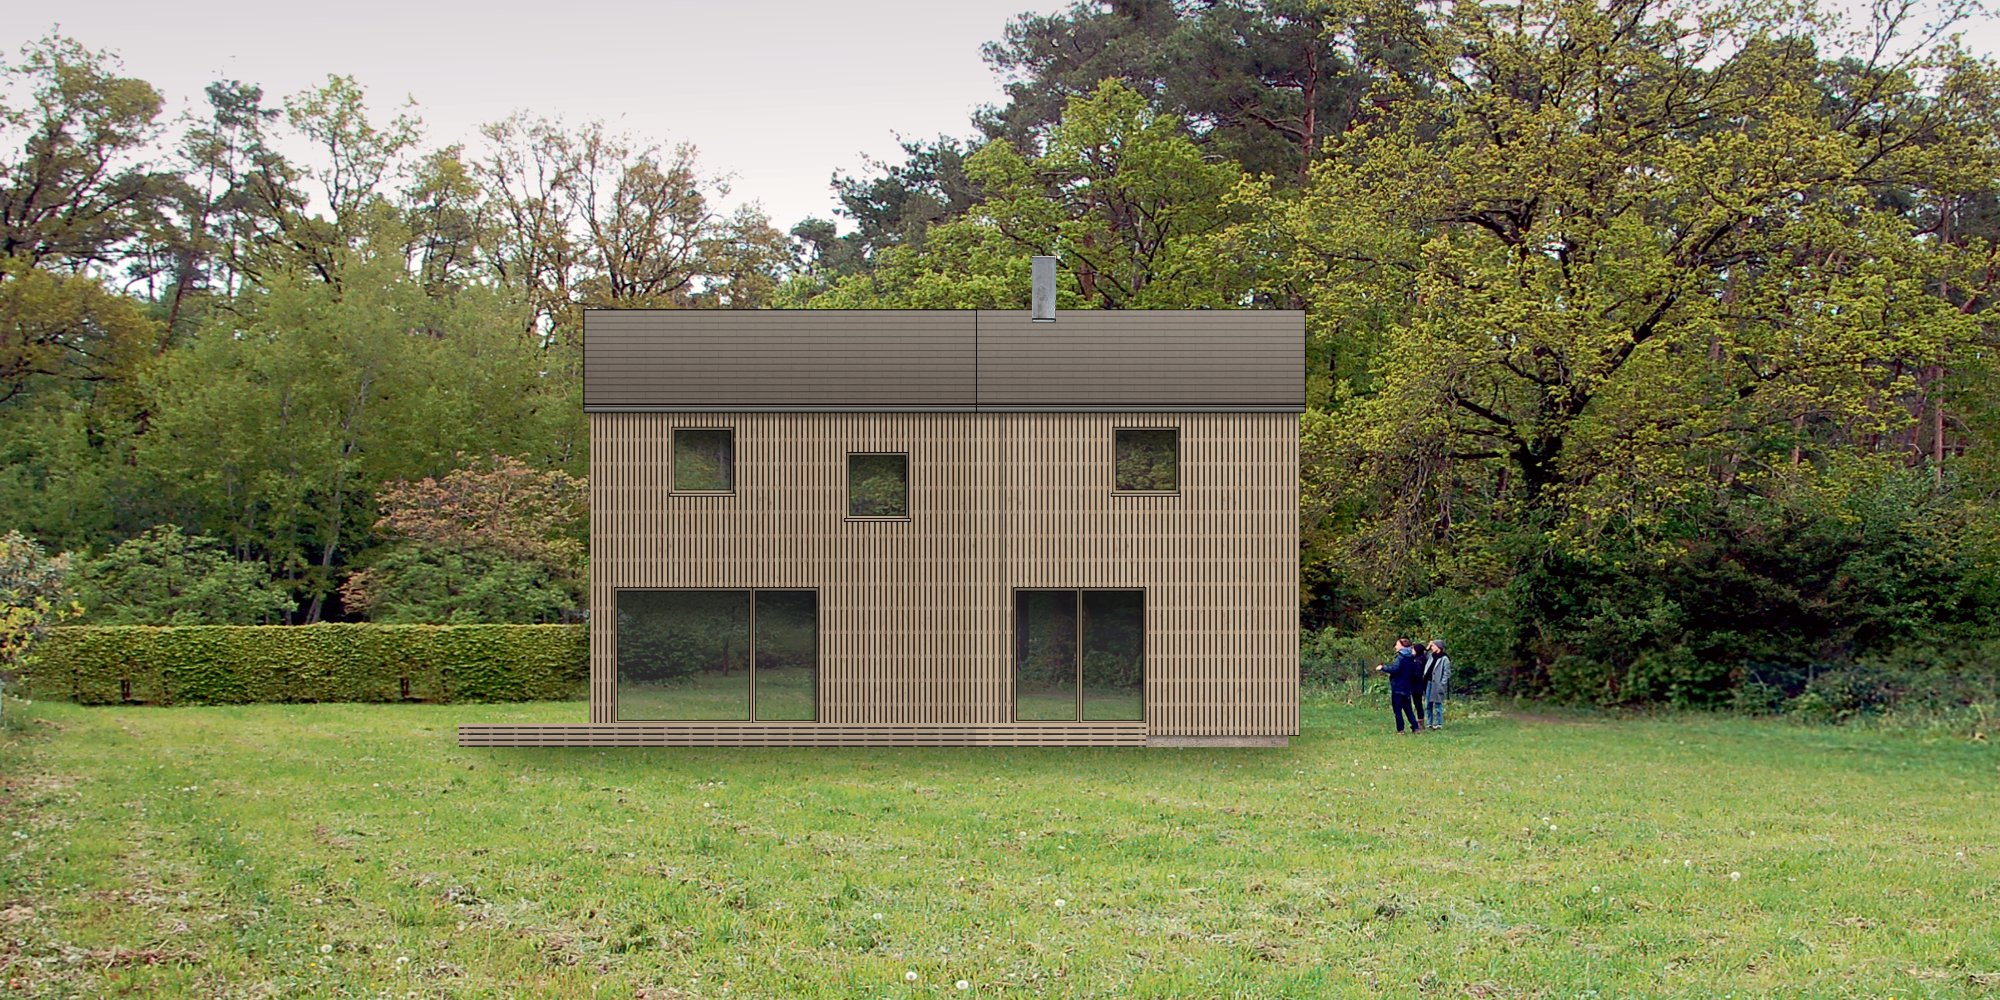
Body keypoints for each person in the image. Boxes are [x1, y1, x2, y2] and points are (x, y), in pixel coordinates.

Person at [1375, 639, 1424, 733]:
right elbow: (1415, 672)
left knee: (1397, 710)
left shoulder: (1400, 658)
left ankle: (1400, 729)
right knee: (1408, 709)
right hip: (1407, 687)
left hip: (1398, 686)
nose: (1395, 647)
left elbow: (1395, 669)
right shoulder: (1412, 657)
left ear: (1402, 646)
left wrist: (1383, 667)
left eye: (1397, 645)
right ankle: (1415, 727)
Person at [1424, 639, 1452, 731]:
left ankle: (1439, 723)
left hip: (1437, 684)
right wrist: (1428, 647)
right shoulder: (1431, 656)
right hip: (1429, 682)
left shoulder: (1444, 658)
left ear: (1438, 647)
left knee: (1438, 704)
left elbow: (1446, 673)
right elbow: (1423, 654)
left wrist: (1442, 684)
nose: (1432, 648)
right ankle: (1429, 723)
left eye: (1433, 646)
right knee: (1428, 704)